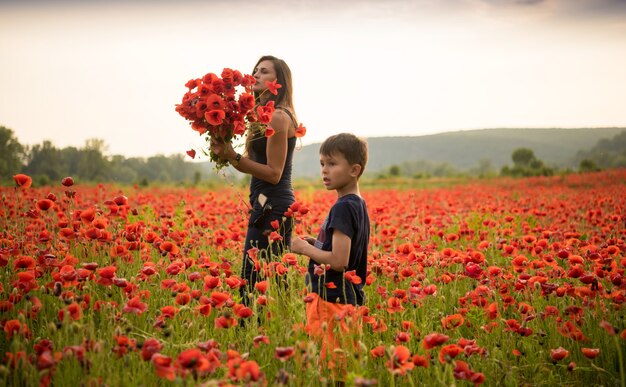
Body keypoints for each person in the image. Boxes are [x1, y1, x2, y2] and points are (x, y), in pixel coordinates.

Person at [210, 55, 299, 307]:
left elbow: (273, 173)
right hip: (263, 204)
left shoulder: (279, 117)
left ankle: (267, 336)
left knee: (254, 282)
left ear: (278, 81)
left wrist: (232, 155)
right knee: (262, 282)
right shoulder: (260, 116)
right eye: (255, 71)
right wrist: (223, 143)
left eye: (264, 71)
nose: (256, 75)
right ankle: (271, 336)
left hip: (274, 206)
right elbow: (250, 163)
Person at [290, 133, 370, 379]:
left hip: (333, 300)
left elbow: (339, 260)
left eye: (332, 164)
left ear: (354, 169)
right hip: (347, 298)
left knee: (334, 368)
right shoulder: (357, 203)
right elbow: (343, 249)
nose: (325, 170)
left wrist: (304, 249)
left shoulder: (343, 207)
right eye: (322, 164)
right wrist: (317, 244)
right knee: (341, 363)